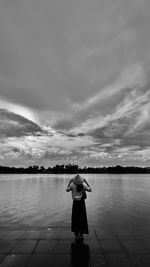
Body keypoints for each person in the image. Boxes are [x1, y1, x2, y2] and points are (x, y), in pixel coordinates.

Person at [66, 174, 92, 241]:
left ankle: (76, 233)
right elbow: (90, 190)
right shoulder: (84, 185)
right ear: (81, 180)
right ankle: (81, 233)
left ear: (74, 180)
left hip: (75, 203)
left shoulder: (72, 185)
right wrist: (86, 182)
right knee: (82, 217)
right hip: (82, 203)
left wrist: (69, 182)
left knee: (76, 217)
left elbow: (67, 190)